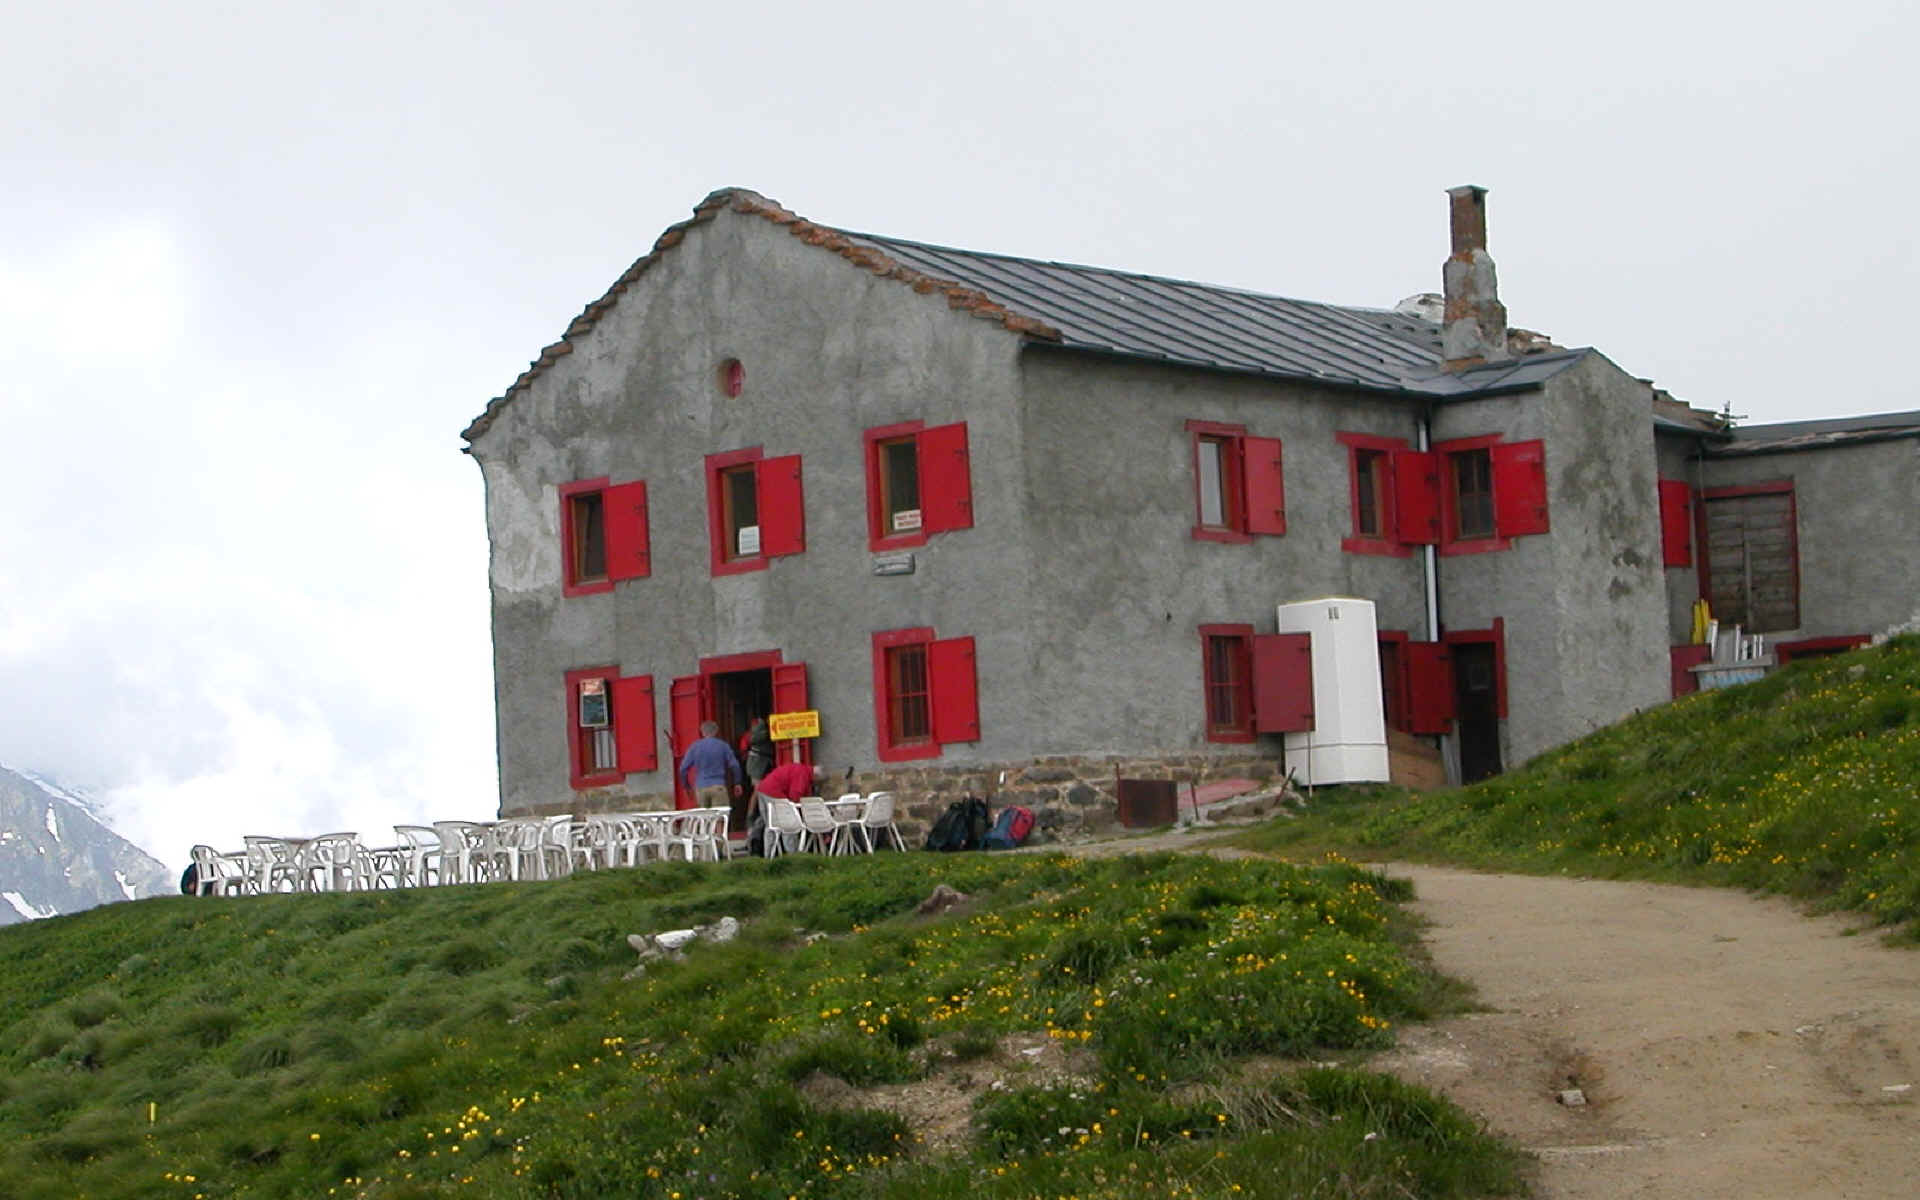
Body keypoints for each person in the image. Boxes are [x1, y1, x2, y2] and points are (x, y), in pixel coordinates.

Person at [748, 761, 826, 855]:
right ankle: (792, 854)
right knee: (788, 825)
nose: (816, 784)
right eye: (818, 782)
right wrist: (800, 812)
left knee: (770, 825)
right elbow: (795, 795)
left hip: (763, 789)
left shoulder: (801, 769)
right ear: (815, 776)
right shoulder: (803, 774)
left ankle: (769, 854)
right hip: (774, 792)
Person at [680, 720, 741, 810]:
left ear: (702, 732)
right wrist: (737, 782)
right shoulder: (723, 746)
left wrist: (686, 786)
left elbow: (683, 768)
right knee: (720, 816)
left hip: (701, 787)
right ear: (716, 731)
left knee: (703, 817)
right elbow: (735, 765)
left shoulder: (695, 747)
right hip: (718, 785)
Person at [742, 714, 775, 788]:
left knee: (758, 787)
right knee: (758, 787)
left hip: (755, 764)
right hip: (757, 765)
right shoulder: (762, 734)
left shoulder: (751, 734)